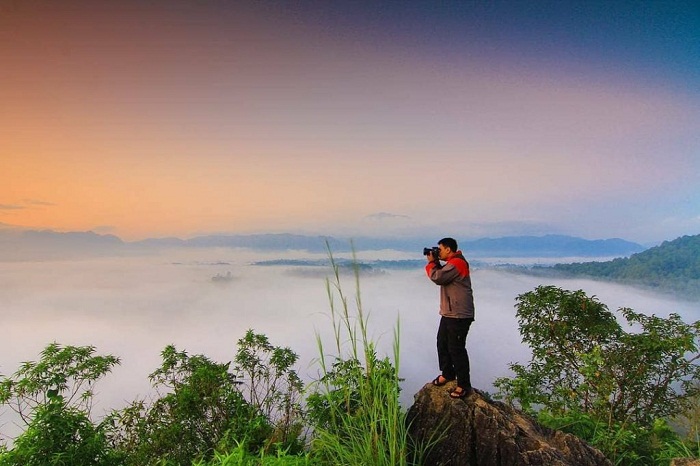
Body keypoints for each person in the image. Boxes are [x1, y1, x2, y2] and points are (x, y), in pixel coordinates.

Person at [424, 237, 475, 399]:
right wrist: (437, 262)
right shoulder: (452, 264)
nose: (438, 252)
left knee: (456, 349)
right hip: (449, 313)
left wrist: (432, 263)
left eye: (440, 249)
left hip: (459, 314)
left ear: (448, 249)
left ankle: (464, 385)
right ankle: (447, 373)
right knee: (442, 343)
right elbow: (442, 275)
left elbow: (438, 277)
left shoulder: (458, 263)